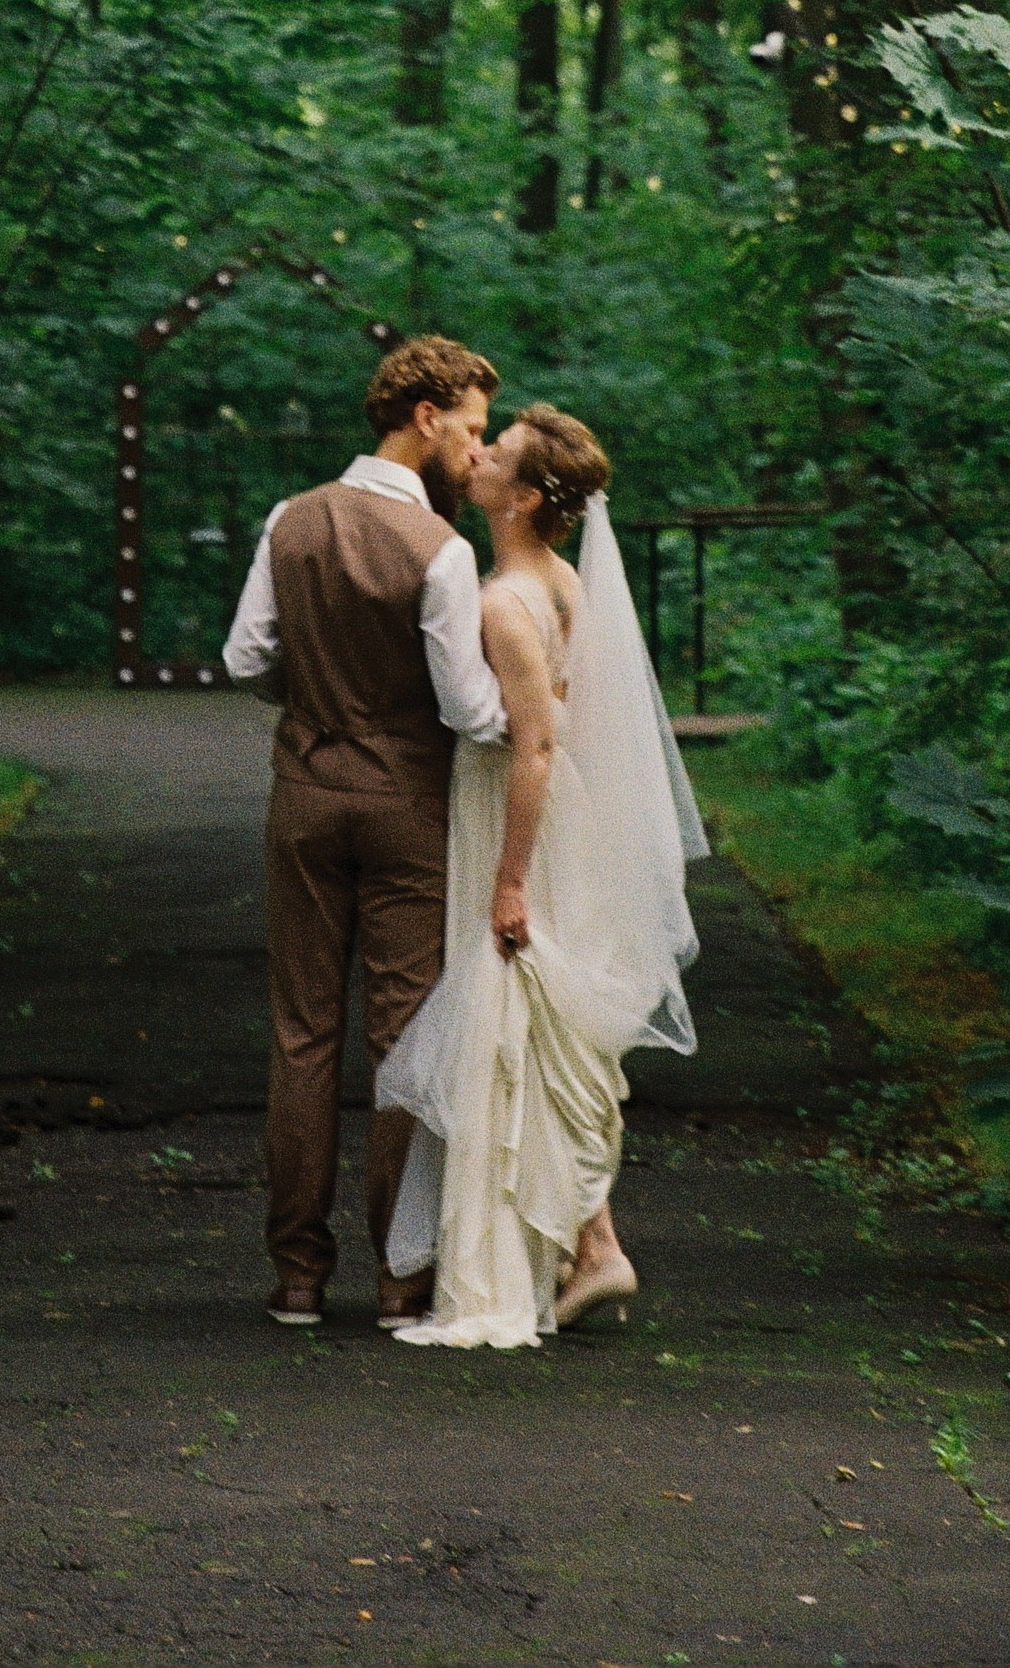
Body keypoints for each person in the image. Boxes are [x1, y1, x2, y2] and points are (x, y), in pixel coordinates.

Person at [376, 404, 708, 1349]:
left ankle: (563, 1251)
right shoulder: (561, 579)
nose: (472, 454)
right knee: (540, 1025)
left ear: (521, 497)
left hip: (520, 820)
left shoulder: (502, 602)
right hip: (564, 816)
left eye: (496, 453)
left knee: (512, 1022)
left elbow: (531, 746)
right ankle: (587, 1240)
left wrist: (509, 881)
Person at [219, 332, 508, 1329]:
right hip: (406, 809)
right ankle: (399, 1275)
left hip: (303, 795)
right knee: (402, 1038)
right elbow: (469, 710)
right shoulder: (444, 550)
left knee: (302, 1033)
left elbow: (246, 656)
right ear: (423, 417)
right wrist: (545, 715)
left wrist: (312, 705)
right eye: (471, 428)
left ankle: (297, 1275)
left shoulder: (288, 520)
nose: (478, 451)